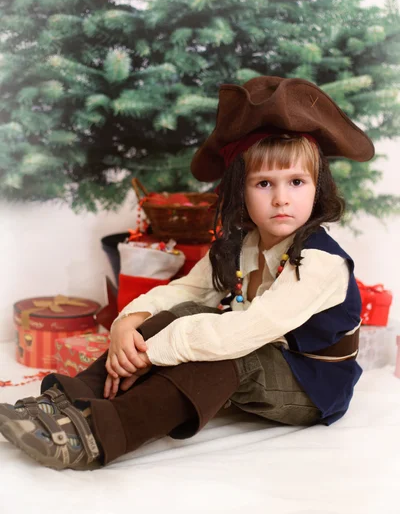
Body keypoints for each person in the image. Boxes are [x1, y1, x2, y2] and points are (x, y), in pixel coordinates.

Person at [0, 75, 375, 471]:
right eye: (264, 183)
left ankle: (98, 435)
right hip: (266, 352)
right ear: (240, 191)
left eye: (296, 182)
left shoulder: (319, 262)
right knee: (185, 315)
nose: (282, 198)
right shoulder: (243, 244)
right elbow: (187, 290)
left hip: (312, 384)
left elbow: (251, 328)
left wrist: (154, 354)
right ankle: (71, 398)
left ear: (317, 188)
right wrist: (129, 322)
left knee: (226, 355)